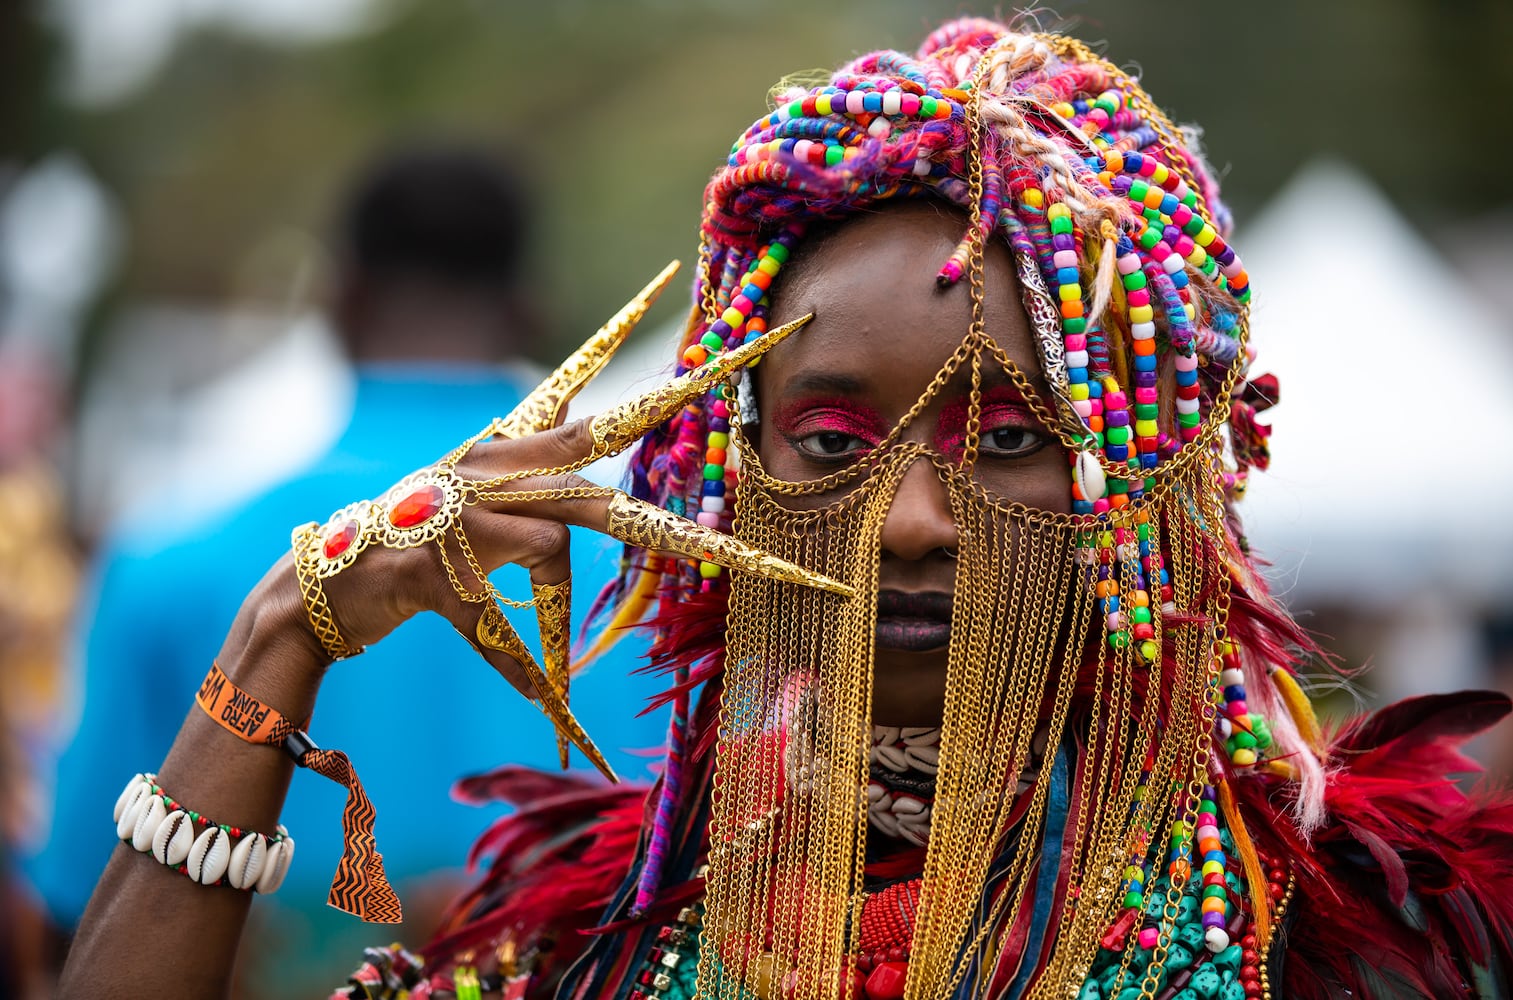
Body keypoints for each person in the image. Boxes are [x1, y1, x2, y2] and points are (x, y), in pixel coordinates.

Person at [59, 19, 1513, 1000]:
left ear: (1149, 486)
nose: (912, 519)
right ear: (728, 478)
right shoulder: (601, 947)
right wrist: (279, 637)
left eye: (1012, 435)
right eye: (829, 439)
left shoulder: (1346, 949)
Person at [26, 144, 668, 994]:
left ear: (339, 302)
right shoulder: (662, 568)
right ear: (527, 314)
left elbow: (74, 921)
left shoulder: (163, 560)